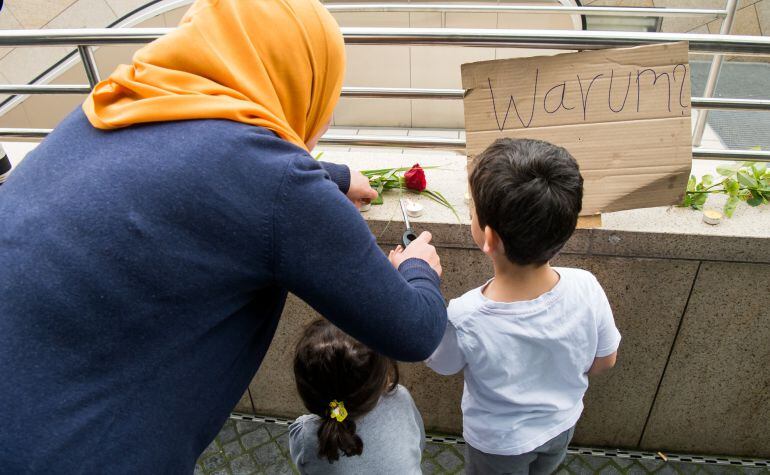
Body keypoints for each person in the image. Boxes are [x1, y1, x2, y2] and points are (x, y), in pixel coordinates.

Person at [0, 0, 446, 472]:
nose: (328, 117)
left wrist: (329, 176)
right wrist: (417, 266)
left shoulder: (124, 98)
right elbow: (415, 332)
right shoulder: (276, 186)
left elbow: (195, 162)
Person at [426, 138, 621, 475]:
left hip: (498, 444)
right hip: (561, 425)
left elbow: (443, 364)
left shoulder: (465, 315)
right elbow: (605, 360)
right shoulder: (586, 286)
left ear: (490, 238)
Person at [289, 320, 425, 474]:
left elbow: (305, 470)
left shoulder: (305, 436)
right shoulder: (400, 398)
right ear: (379, 377)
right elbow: (419, 444)